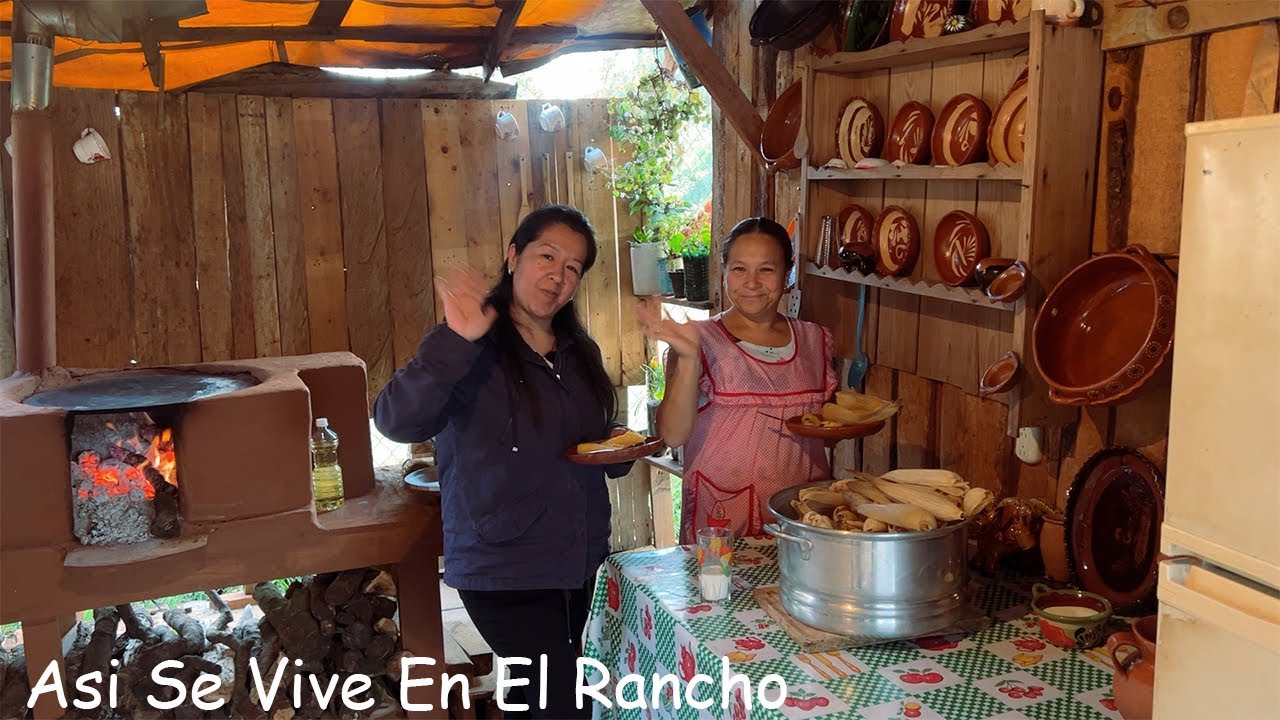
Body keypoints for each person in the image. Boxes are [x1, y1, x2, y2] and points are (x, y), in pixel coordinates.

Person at [374, 205, 630, 720]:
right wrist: (455, 341)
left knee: (547, 697)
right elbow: (395, 420)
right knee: (563, 704)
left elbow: (593, 448)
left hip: (579, 560)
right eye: (547, 256)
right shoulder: (471, 343)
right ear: (513, 257)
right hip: (503, 566)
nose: (558, 275)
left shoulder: (578, 352)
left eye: (574, 267)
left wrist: (617, 448)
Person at [639, 217, 836, 544]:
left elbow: (824, 429)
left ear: (787, 274)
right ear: (725, 272)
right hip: (723, 518)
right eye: (740, 269)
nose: (752, 283)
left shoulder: (815, 340)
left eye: (767, 269)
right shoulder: (697, 341)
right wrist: (688, 358)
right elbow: (672, 435)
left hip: (802, 518)